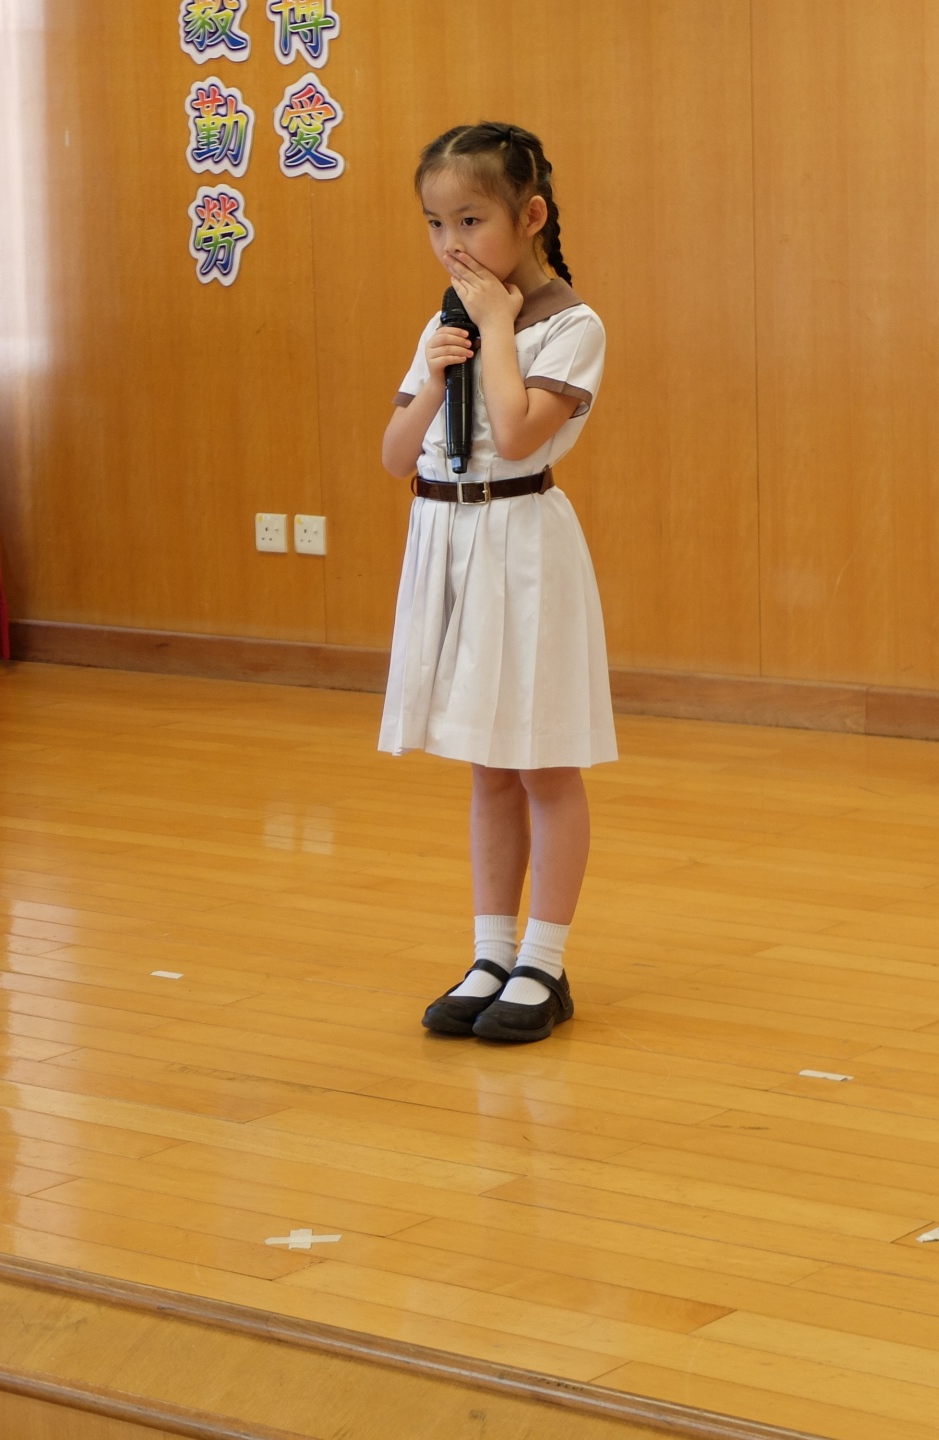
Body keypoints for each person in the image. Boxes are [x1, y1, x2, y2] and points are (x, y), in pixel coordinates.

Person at [379, 122, 614, 1044]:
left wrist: (499, 331)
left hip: (521, 544)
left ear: (532, 216)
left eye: (471, 220)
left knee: (542, 760)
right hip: (447, 538)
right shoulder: (445, 324)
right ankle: (491, 951)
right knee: (487, 761)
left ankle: (544, 962)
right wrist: (438, 381)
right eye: (436, 224)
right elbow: (395, 453)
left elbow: (516, 434)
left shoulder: (572, 325)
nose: (453, 244)